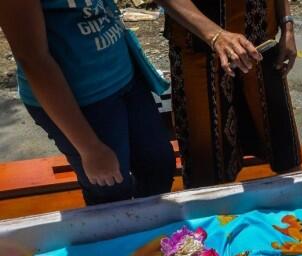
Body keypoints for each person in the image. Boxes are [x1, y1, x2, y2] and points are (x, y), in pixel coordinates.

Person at [0, 0, 176, 206]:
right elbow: (33, 59)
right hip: (81, 101)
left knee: (158, 165)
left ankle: (148, 230)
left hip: (124, 76)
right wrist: (89, 147)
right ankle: (121, 236)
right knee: (110, 188)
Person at [161, 0, 302, 188]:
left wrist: (287, 26)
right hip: (198, 53)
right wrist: (215, 35)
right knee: (207, 172)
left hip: (260, 47)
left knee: (286, 157)